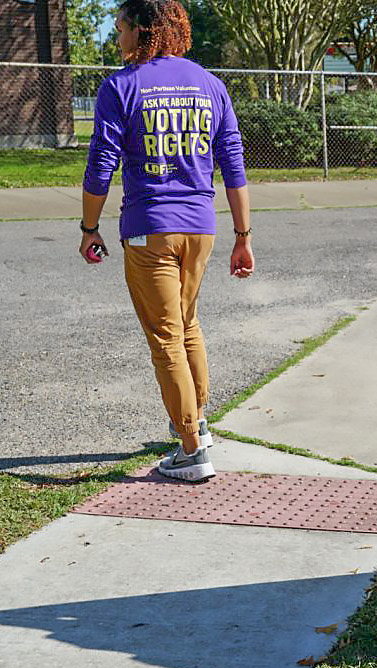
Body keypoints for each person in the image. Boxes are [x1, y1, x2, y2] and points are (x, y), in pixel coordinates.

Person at [80, 0, 254, 482]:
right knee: (186, 323)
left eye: (120, 28)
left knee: (165, 340)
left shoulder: (121, 85)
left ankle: (192, 449)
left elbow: (101, 166)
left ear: (142, 30)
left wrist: (88, 227)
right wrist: (243, 236)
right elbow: (234, 166)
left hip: (148, 229)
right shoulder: (210, 84)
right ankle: (198, 421)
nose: (117, 39)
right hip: (202, 227)